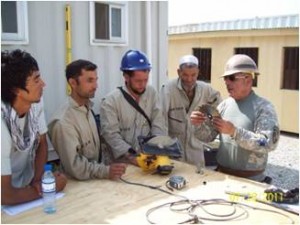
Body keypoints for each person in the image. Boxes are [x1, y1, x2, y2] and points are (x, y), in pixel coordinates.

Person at [190, 54, 280, 182]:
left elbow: (267, 144)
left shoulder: (263, 108)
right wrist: (198, 124)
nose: (227, 82)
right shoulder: (224, 105)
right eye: (226, 78)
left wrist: (234, 132)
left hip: (251, 181)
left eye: (231, 78)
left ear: (248, 79)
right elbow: (207, 137)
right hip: (221, 176)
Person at [1, 49, 67, 205]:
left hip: (25, 186)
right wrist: (48, 188)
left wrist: (38, 181)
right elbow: (5, 196)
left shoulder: (35, 103)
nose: (43, 84)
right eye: (36, 80)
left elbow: (41, 142)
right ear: (16, 90)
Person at [48, 60, 127, 180]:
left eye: (96, 80)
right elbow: (75, 167)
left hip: (96, 184)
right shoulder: (63, 122)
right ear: (73, 83)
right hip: (76, 190)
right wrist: (105, 171)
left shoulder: (87, 108)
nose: (96, 86)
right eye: (90, 81)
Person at [100, 50, 166, 165]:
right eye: (138, 81)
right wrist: (133, 157)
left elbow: (158, 123)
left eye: (146, 80)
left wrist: (157, 148)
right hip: (120, 165)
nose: (143, 85)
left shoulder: (152, 93)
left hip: (148, 159)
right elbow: (111, 135)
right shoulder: (110, 102)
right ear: (126, 77)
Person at [160, 55, 221, 168]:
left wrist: (207, 121)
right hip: (174, 154)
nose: (189, 79)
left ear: (198, 72)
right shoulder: (168, 89)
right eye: (185, 75)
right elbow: (160, 121)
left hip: (196, 154)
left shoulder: (206, 89)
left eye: (193, 75)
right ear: (178, 72)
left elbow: (218, 108)